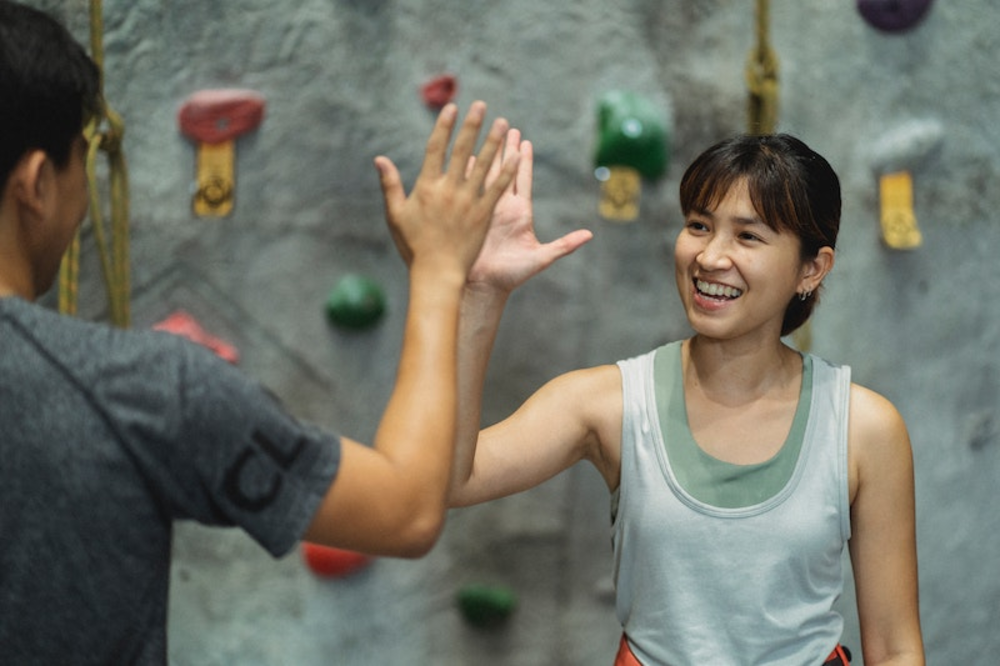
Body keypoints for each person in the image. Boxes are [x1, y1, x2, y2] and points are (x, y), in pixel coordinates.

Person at [0, 2, 525, 662]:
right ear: (38, 184)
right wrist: (441, 269)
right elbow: (406, 509)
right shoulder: (143, 390)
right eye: (83, 161)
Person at [450, 131, 925, 665]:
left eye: (748, 237)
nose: (710, 256)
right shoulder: (608, 403)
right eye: (699, 225)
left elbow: (895, 649)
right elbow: (449, 478)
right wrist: (481, 291)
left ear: (811, 269)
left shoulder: (863, 428)